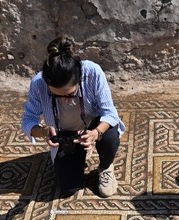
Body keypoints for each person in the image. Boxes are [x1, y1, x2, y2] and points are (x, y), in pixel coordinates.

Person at [22, 37, 124, 198]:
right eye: (55, 95)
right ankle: (80, 151)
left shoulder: (93, 72)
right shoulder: (38, 83)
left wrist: (95, 133)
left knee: (110, 135)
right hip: (65, 134)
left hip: (94, 124)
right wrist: (43, 131)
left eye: (70, 95)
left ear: (79, 79)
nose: (63, 100)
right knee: (69, 188)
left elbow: (110, 114)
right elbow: (28, 120)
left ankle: (105, 166)